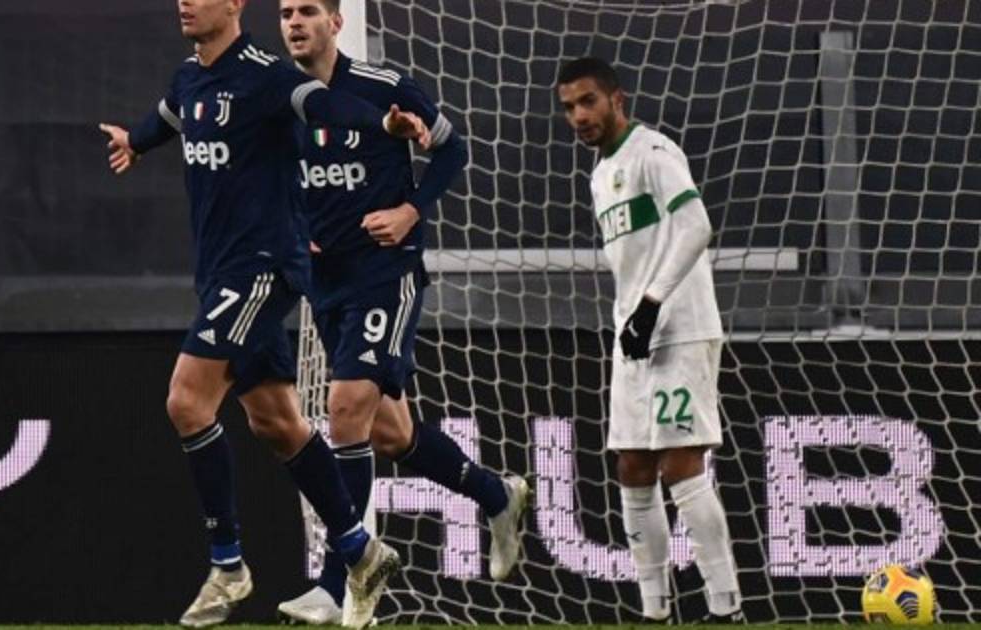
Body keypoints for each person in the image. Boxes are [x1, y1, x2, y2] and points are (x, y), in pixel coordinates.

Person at [98, 1, 431, 627]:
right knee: (276, 422)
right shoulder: (190, 77)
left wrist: (386, 125)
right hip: (219, 272)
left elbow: (324, 105)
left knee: (186, 401)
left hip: (262, 266)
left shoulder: (266, 75)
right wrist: (134, 142)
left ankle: (228, 565)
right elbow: (170, 117)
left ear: (234, 5)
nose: (184, 3)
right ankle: (361, 551)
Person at [274, 0, 531, 624]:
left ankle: (339, 582)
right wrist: (295, 232)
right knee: (390, 433)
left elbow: (451, 150)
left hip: (385, 275)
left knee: (342, 408)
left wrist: (410, 210)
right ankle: (497, 495)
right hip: (328, 286)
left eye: (307, 10)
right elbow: (279, 182)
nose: (294, 22)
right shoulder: (281, 101)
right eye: (284, 13)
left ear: (336, 21)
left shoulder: (384, 87)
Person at [556, 56, 742, 623]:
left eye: (588, 101)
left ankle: (725, 608)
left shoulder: (654, 152)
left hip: (679, 326)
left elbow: (696, 226)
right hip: (634, 334)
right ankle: (654, 610)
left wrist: (653, 303)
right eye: (569, 107)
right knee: (633, 467)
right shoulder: (599, 174)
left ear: (617, 99)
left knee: (681, 466)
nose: (579, 116)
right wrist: (635, 316)